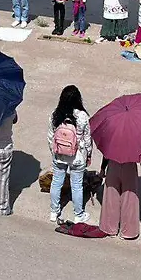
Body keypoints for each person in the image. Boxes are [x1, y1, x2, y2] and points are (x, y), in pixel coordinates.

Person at [48, 85, 93, 224]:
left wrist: (54, 151)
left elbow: (50, 136)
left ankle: (54, 212)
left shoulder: (56, 114)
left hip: (59, 155)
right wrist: (88, 155)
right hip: (77, 157)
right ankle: (78, 214)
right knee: (77, 185)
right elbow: (87, 139)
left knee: (56, 182)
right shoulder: (82, 116)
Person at [99, 157, 141, 240]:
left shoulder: (112, 143)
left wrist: (103, 168)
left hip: (113, 165)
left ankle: (110, 228)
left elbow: (106, 154)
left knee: (111, 197)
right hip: (130, 165)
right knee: (129, 198)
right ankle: (128, 231)